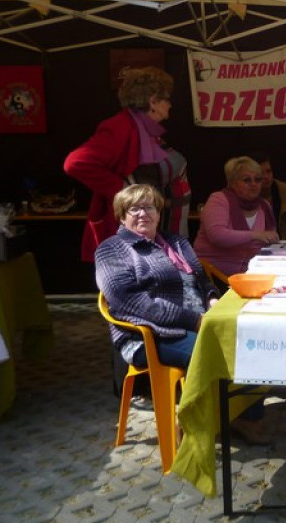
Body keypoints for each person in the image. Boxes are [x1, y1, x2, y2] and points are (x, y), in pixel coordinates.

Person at [95, 184, 268, 444]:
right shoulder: (113, 250)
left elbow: (202, 280)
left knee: (252, 340)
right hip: (150, 334)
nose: (143, 213)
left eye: (149, 207)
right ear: (121, 215)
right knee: (214, 350)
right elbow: (135, 304)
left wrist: (211, 300)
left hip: (200, 320)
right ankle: (194, 420)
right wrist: (194, 320)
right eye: (134, 208)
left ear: (158, 211)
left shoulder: (175, 241)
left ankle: (245, 416)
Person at [65, 66, 191, 262]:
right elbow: (75, 163)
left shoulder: (146, 131)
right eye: (167, 99)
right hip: (131, 238)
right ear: (153, 101)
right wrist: (124, 191)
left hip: (153, 233)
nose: (170, 105)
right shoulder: (121, 127)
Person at [193, 157, 279, 276]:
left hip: (252, 272)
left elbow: (268, 241)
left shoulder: (265, 206)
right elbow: (217, 236)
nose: (254, 184)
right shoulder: (218, 200)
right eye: (247, 180)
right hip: (214, 274)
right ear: (232, 182)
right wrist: (255, 235)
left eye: (258, 180)